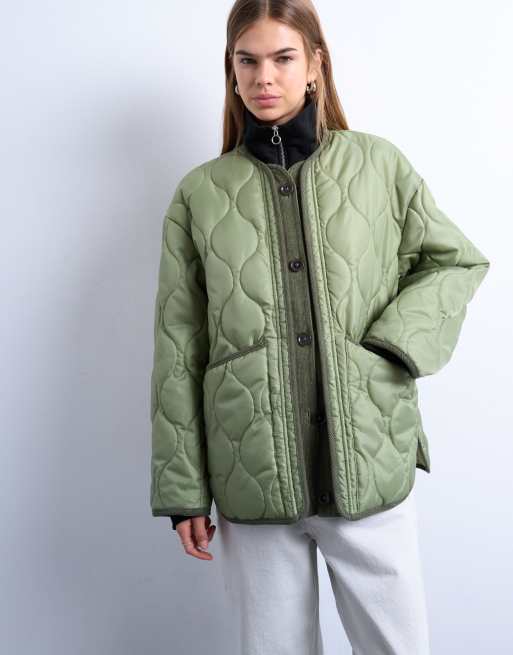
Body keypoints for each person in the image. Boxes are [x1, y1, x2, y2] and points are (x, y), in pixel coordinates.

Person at [149, 1, 490, 653]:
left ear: (314, 66)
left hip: (368, 456)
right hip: (251, 469)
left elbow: (455, 260)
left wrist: (391, 346)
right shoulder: (200, 194)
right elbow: (177, 344)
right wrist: (182, 489)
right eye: (246, 61)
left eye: (282, 58)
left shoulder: (377, 165)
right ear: (231, 71)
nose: (263, 77)